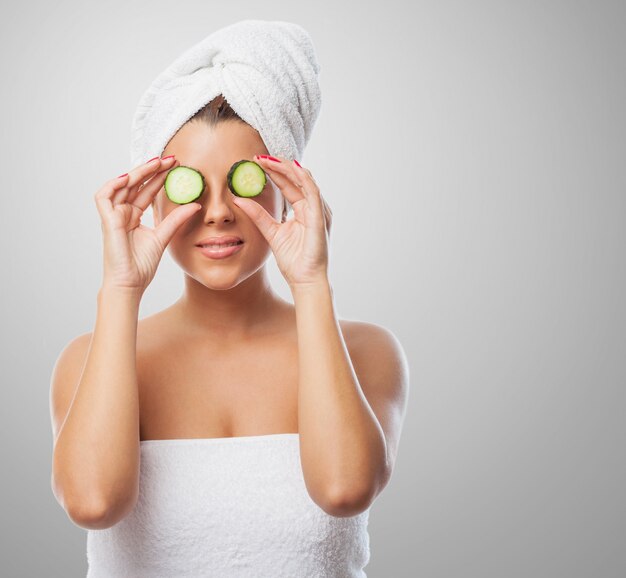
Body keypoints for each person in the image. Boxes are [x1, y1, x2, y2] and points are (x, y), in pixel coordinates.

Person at [49, 20, 409, 577]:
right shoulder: (87, 359)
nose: (216, 211)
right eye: (188, 184)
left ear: (286, 188)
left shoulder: (367, 351)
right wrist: (121, 291)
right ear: (154, 202)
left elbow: (343, 488)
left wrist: (311, 283)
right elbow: (94, 502)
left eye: (241, 180)